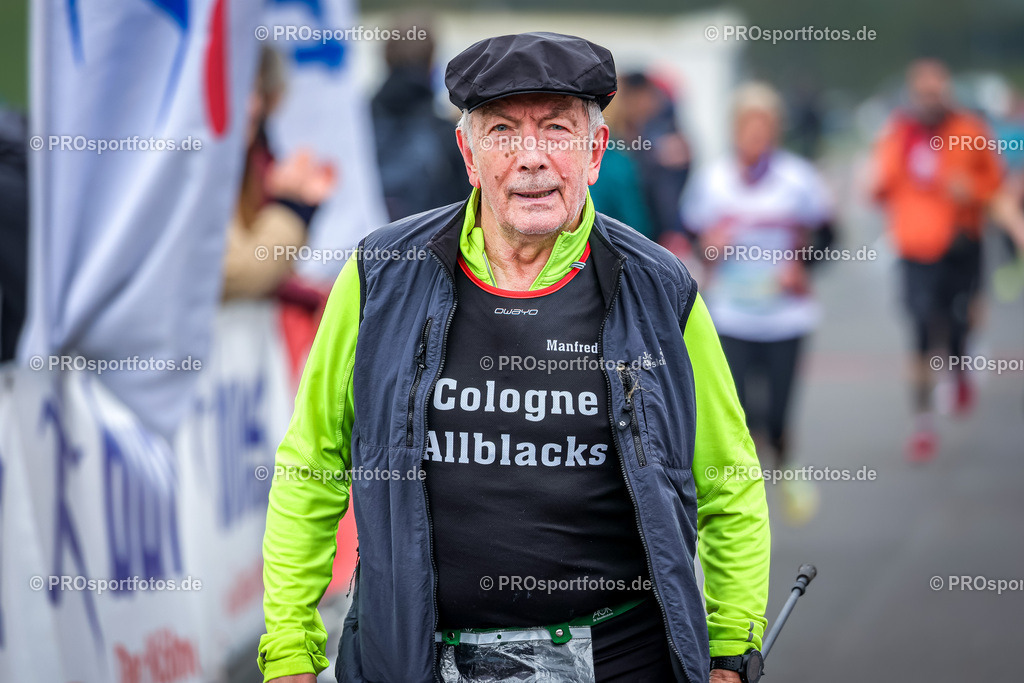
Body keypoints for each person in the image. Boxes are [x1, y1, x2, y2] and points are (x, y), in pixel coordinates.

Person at [259, 32, 770, 683]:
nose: (531, 158)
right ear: (469, 155)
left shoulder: (657, 287)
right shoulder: (381, 273)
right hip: (411, 660)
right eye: (502, 132)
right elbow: (313, 460)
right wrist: (291, 648)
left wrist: (731, 648)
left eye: (556, 129)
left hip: (621, 661)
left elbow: (728, 477)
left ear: (595, 152)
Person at [681, 82, 835, 525]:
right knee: (740, 411)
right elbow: (692, 235)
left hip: (787, 315)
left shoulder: (798, 179)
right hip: (730, 313)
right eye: (747, 125)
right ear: (735, 130)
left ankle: (786, 465)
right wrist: (710, 245)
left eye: (763, 125)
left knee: (781, 410)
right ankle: (745, 492)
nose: (755, 134)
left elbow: (829, 234)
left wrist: (802, 266)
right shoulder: (714, 180)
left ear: (775, 130)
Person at [871, 59, 1002, 461]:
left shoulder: (968, 131)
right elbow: (880, 186)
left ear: (946, 93)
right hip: (915, 246)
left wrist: (972, 192)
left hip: (961, 241)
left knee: (960, 320)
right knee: (922, 331)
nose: (929, 101)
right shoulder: (899, 133)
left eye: (936, 92)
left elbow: (994, 183)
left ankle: (960, 367)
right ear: (913, 95)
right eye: (922, 93)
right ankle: (923, 422)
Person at [222, 47, 337, 301]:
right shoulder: (204, 171)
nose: (253, 105)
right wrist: (291, 208)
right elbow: (237, 273)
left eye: (255, 92)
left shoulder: (257, 160)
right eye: (239, 88)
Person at [371, 14, 471, 220]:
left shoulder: (357, 126)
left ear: (385, 59)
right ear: (432, 63)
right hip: (426, 247)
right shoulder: (450, 134)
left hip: (363, 247)